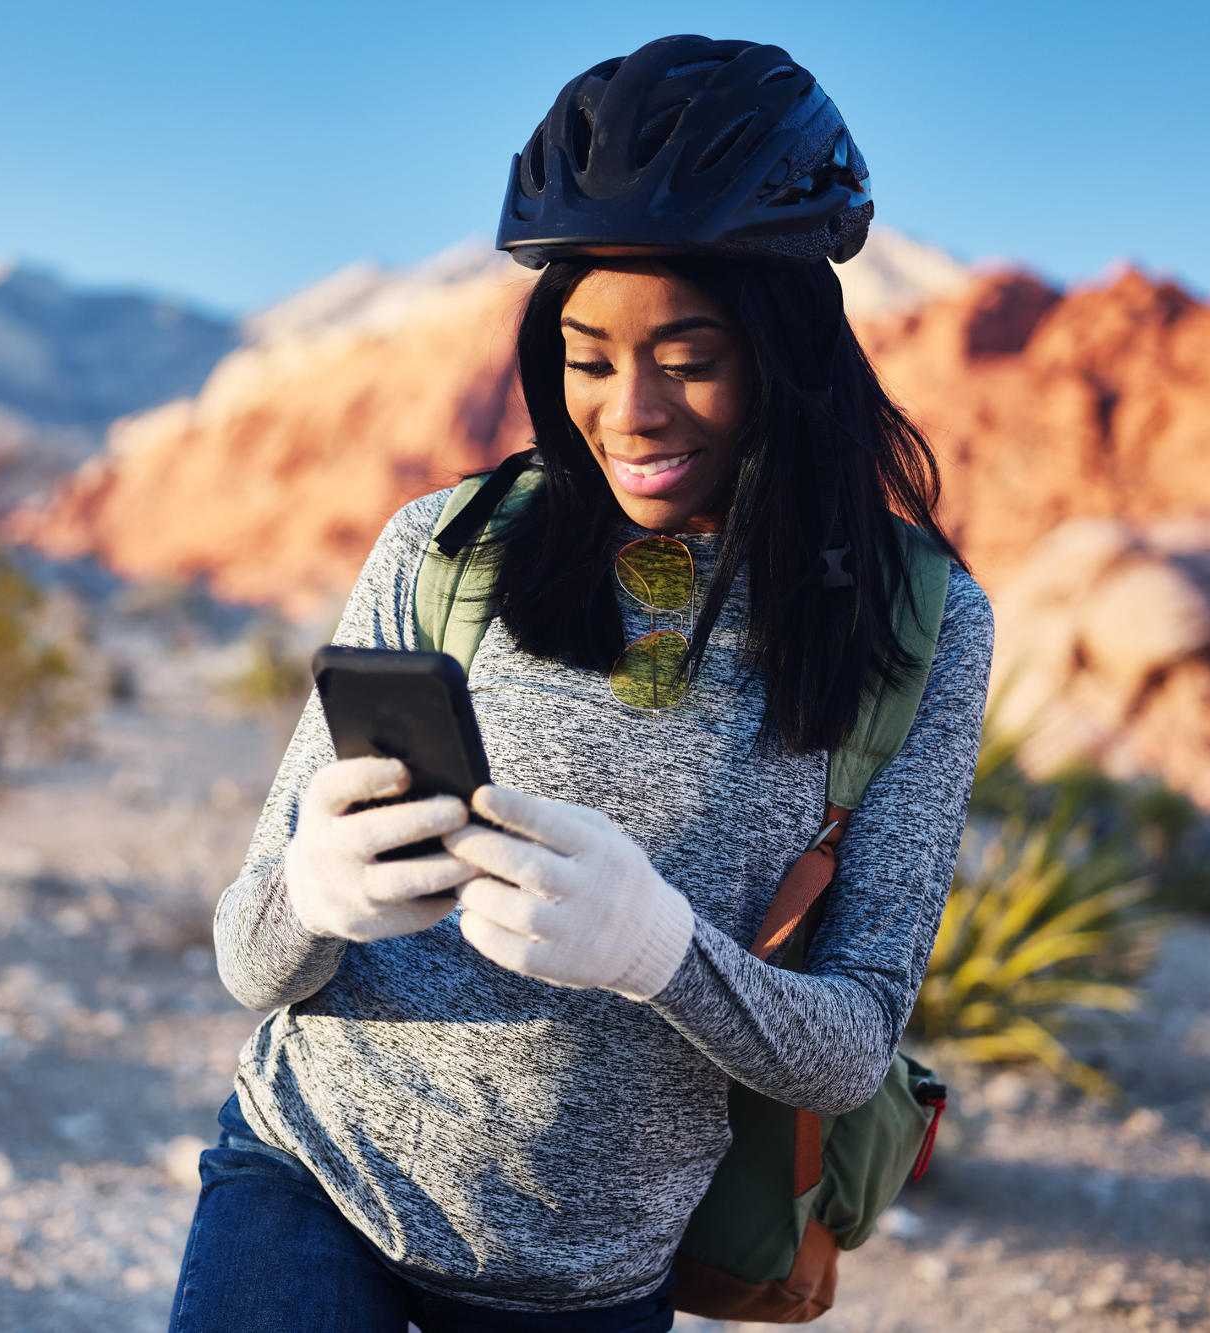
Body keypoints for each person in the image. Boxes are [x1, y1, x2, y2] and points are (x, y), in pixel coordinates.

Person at [168, 33, 995, 1332]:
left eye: (690, 354)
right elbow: (248, 957)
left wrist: (656, 949)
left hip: (586, 1279)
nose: (632, 410)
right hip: (312, 1177)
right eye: (589, 357)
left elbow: (852, 1043)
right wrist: (311, 896)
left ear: (788, 352)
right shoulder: (442, 548)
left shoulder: (917, 627)